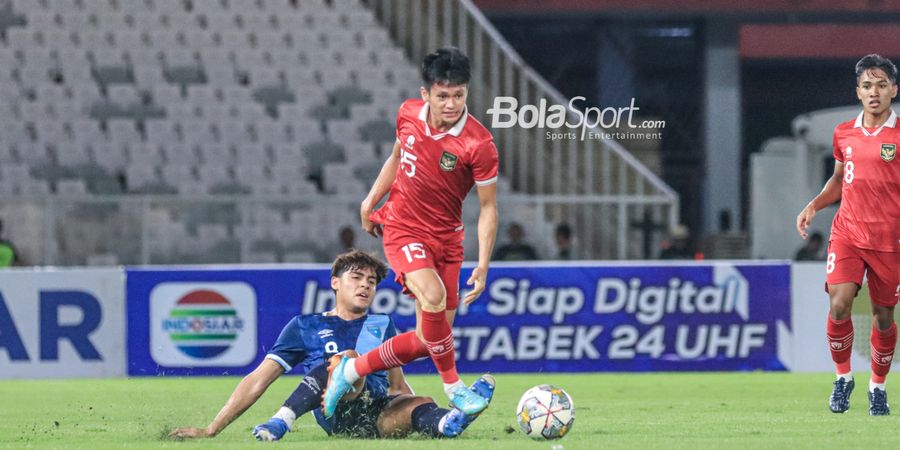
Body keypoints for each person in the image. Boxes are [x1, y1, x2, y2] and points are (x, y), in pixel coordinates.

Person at [323, 47, 499, 419]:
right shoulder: (407, 114)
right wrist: (370, 200)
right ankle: (455, 389)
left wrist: (483, 264)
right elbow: (396, 157)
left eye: (459, 95)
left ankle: (350, 369)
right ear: (426, 95)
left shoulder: (478, 144)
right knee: (433, 296)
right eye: (443, 96)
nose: (451, 104)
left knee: (427, 340)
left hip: (448, 240)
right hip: (403, 228)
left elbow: (487, 207)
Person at [167, 250, 493, 441]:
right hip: (335, 413)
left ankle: (448, 421)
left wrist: (410, 403)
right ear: (335, 283)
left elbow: (396, 384)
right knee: (347, 360)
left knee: (420, 401)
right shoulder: (304, 326)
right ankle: (283, 418)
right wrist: (211, 429)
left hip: (374, 415)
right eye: (356, 278)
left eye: (371, 281)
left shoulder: (383, 324)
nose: (365, 285)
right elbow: (258, 378)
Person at [796, 54, 900, 416]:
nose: (874, 92)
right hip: (848, 234)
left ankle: (878, 387)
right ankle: (843, 379)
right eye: (868, 86)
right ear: (858, 92)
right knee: (839, 304)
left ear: (893, 90)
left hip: (890, 241)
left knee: (883, 317)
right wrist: (814, 205)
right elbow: (840, 181)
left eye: (881, 85)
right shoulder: (844, 132)